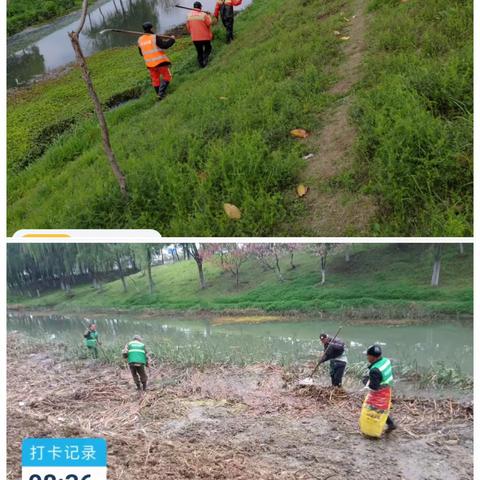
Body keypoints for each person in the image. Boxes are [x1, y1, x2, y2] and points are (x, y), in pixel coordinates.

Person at [138, 22, 176, 99]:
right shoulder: (154, 37)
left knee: (155, 80)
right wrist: (172, 40)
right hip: (160, 62)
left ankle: (159, 94)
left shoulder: (140, 40)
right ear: (151, 28)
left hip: (150, 64)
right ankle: (161, 93)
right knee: (167, 77)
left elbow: (141, 53)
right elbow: (165, 45)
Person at [363, 344, 396, 433]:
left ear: (372, 357)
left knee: (374, 409)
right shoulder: (386, 360)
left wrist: (365, 381)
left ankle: (374, 428)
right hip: (387, 389)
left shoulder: (375, 370)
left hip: (379, 393)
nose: (367, 358)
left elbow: (374, 387)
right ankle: (391, 424)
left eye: (368, 356)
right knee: (382, 408)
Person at [186, 2, 213, 68]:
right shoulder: (204, 15)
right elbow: (209, 23)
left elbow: (188, 27)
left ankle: (201, 65)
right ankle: (205, 58)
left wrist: (192, 33)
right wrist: (209, 15)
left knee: (199, 51)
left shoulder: (188, 15)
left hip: (195, 38)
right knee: (208, 48)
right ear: (200, 7)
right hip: (205, 37)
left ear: (194, 7)